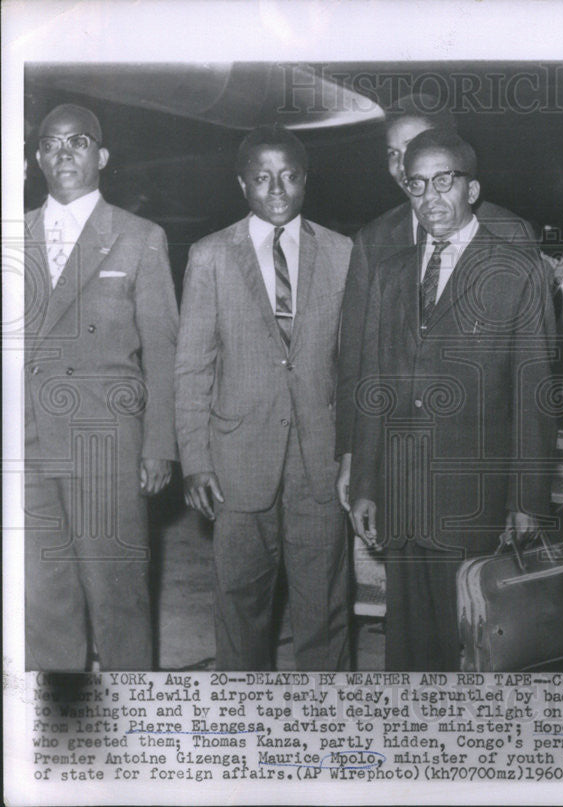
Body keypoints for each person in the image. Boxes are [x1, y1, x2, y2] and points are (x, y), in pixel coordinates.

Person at [349, 128, 557, 670]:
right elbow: (373, 383)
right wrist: (366, 484)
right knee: (405, 647)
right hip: (400, 494)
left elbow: (534, 395)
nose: (430, 198)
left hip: (474, 502)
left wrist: (527, 501)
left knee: (469, 648)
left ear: (472, 189)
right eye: (416, 186)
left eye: (444, 182)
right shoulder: (391, 273)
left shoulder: (518, 271)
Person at [175, 125, 352, 670]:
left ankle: (328, 733)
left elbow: (352, 369)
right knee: (239, 609)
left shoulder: (344, 253)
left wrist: (354, 457)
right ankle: (243, 733)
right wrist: (195, 460)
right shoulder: (210, 256)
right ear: (242, 184)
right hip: (236, 462)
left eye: (289, 176)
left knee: (324, 611)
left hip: (318, 466)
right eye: (261, 177)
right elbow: (192, 366)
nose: (276, 189)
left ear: (306, 180)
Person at [23, 103, 178, 670]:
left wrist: (160, 444)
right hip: (28, 443)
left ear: (102, 157)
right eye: (52, 143)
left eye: (79, 142)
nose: (64, 152)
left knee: (117, 595)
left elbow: (163, 348)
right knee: (44, 598)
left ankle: (133, 725)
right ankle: (61, 725)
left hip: (105, 441)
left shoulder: (139, 237)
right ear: (37, 157)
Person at [335, 94, 536, 510]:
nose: (402, 164)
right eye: (393, 154)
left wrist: (525, 501)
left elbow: (527, 381)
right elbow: (358, 358)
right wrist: (353, 456)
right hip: (398, 469)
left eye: (413, 148)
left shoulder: (510, 232)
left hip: (471, 475)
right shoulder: (373, 240)